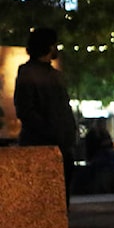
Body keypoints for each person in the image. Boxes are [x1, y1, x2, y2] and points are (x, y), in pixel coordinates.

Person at [13, 27, 77, 205]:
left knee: (56, 197)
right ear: (48, 46)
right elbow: (26, 110)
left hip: (56, 143)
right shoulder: (33, 73)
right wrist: (54, 132)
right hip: (45, 144)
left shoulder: (45, 74)